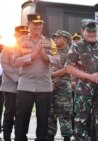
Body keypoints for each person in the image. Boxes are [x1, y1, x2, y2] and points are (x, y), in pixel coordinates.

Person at [13, 13, 60, 141]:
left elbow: (58, 60)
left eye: (40, 24)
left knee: (43, 121)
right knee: (21, 120)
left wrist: (46, 57)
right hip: (25, 86)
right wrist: (33, 55)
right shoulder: (20, 41)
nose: (38, 26)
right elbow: (15, 61)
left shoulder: (49, 42)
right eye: (35, 23)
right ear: (28, 24)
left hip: (44, 87)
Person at [66, 19, 98, 141]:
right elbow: (69, 68)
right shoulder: (76, 47)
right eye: (89, 31)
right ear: (82, 31)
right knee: (81, 122)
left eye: (94, 31)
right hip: (83, 92)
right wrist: (89, 76)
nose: (92, 33)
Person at [0, 25, 28, 141]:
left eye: (25, 34)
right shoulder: (8, 48)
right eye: (20, 34)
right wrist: (17, 79)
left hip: (26, 87)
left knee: (22, 114)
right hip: (11, 86)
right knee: (10, 112)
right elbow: (5, 65)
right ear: (15, 35)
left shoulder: (29, 48)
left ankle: (20, 136)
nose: (23, 36)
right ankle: (7, 136)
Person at [48, 30, 73, 141]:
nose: (55, 39)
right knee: (50, 113)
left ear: (65, 39)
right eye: (55, 37)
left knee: (65, 114)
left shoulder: (71, 53)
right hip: (49, 87)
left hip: (63, 88)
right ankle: (49, 136)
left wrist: (51, 75)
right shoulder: (51, 51)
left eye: (58, 37)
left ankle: (66, 138)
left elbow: (67, 69)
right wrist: (49, 79)